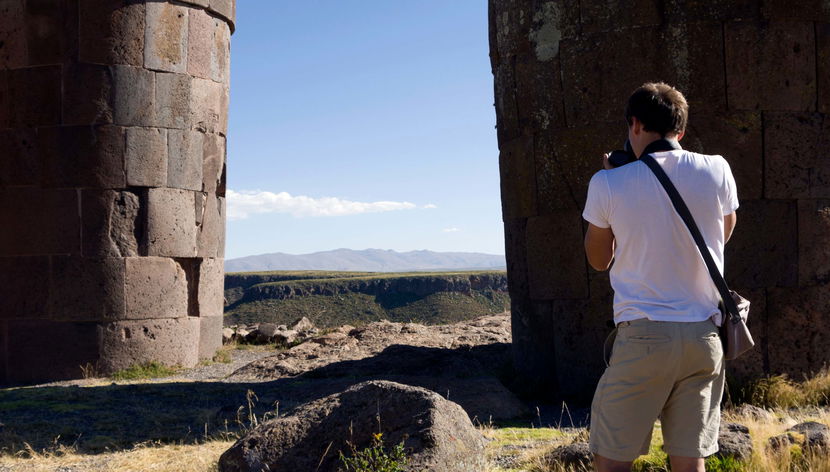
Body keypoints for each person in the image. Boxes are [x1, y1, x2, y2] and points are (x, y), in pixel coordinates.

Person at [582, 82, 739, 472]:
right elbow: (722, 233)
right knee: (690, 460)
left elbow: (599, 259)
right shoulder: (718, 168)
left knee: (612, 460)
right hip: (704, 336)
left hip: (645, 337)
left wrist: (618, 191)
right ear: (680, 131)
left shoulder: (608, 182)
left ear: (635, 125)